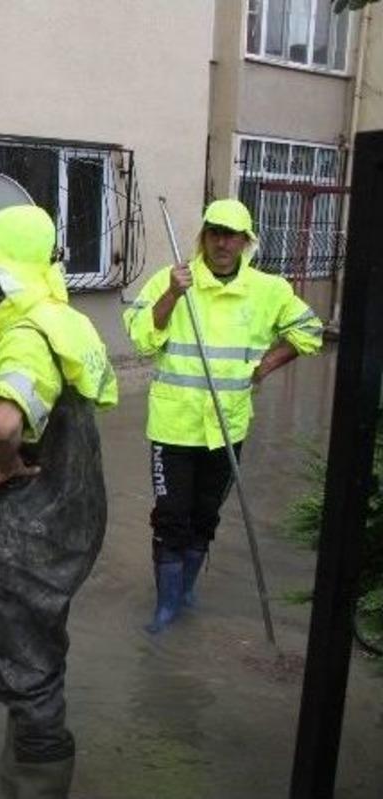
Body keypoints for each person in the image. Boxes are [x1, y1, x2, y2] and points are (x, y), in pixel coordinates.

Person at [0, 205, 117, 797]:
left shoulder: (24, 335)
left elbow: (4, 422)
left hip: (28, 526)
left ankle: (37, 775)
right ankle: (21, 763)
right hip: (73, 516)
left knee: (24, 662)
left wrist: (6, 465)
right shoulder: (63, 318)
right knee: (40, 637)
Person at [124, 198, 323, 634]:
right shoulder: (173, 279)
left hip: (227, 426)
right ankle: (165, 609)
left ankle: (185, 592)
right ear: (204, 236)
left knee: (205, 517)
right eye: (215, 233)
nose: (222, 243)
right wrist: (172, 295)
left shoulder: (269, 290)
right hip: (174, 428)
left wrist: (265, 366)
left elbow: (310, 332)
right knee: (170, 518)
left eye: (232, 235)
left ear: (246, 241)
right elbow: (140, 339)